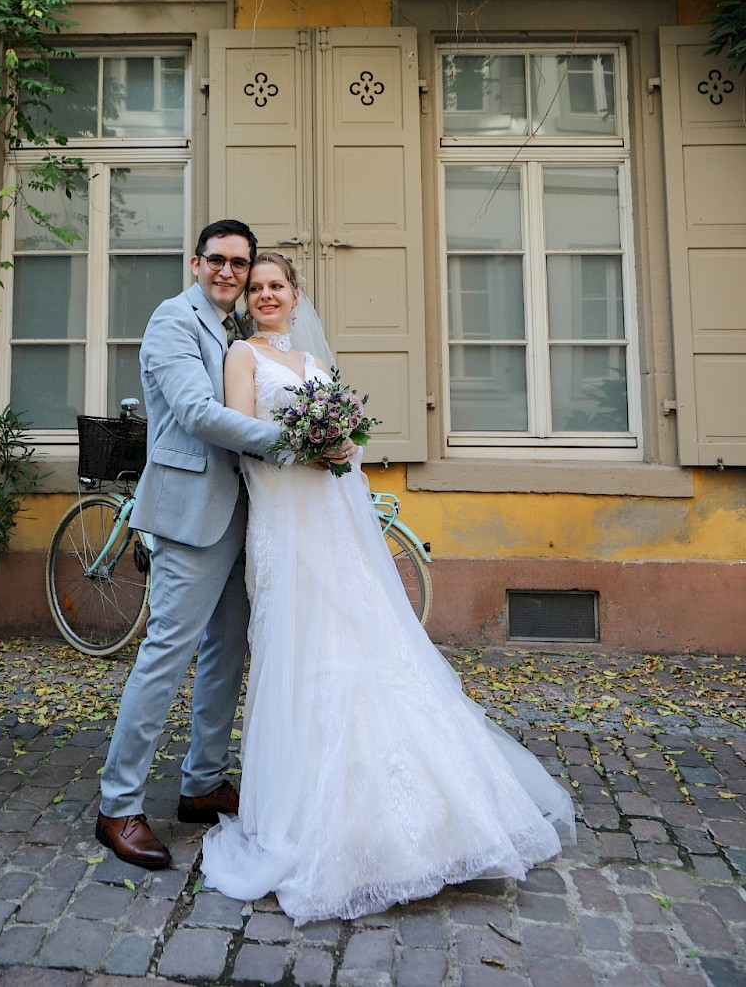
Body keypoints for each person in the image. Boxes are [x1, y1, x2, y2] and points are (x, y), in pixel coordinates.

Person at [200, 251, 577, 925]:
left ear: (295, 293)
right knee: (300, 646)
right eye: (254, 287)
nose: (264, 295)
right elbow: (241, 439)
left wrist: (343, 445)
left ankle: (422, 815)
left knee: (366, 637)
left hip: (333, 521)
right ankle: (306, 813)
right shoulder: (242, 358)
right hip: (284, 521)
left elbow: (343, 436)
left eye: (275, 285)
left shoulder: (314, 363)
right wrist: (302, 446)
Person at [96, 221, 351, 869]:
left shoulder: (235, 330)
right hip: (192, 515)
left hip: (249, 514)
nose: (231, 272)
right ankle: (118, 804)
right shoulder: (173, 322)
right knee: (166, 656)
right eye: (220, 260)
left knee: (226, 655)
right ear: (196, 262)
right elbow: (197, 415)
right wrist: (298, 444)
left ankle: (202, 784)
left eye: (241, 262)